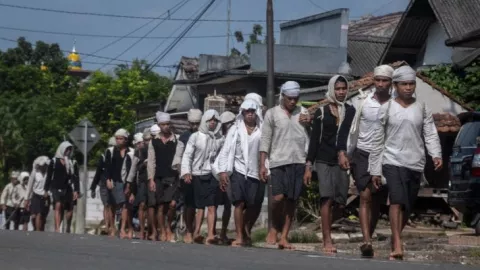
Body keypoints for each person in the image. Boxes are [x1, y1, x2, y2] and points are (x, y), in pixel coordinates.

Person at [369, 65, 442, 260]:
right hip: (391, 160)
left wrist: (436, 154)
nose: (408, 88)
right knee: (397, 200)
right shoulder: (387, 108)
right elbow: (377, 140)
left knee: (407, 206)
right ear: (395, 86)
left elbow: (430, 133)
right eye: (404, 84)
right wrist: (375, 169)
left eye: (411, 84)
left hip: (415, 162)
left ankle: (395, 238)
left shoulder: (422, 107)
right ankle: (398, 245)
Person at [304, 75, 356, 254]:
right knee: (326, 197)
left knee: (341, 202)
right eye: (338, 88)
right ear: (332, 89)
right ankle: (327, 239)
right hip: (323, 159)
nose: (341, 92)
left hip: (341, 161)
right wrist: (309, 165)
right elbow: (314, 140)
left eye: (343, 89)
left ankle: (325, 225)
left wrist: (344, 154)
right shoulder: (322, 111)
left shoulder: (350, 110)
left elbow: (345, 135)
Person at [348, 65, 394, 257]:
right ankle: (366, 240)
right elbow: (353, 129)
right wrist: (347, 153)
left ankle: (370, 234)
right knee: (365, 195)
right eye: (378, 80)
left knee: (376, 198)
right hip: (362, 153)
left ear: (391, 83)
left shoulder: (395, 105)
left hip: (384, 156)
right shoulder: (364, 102)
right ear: (374, 81)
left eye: (385, 81)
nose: (381, 84)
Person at [260, 81, 310, 249]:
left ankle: (284, 236)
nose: (293, 102)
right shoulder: (272, 114)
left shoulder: (303, 113)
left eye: (296, 99)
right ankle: (274, 226)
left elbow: (309, 140)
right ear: (282, 96)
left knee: (291, 201)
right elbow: (265, 140)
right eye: (290, 98)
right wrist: (262, 164)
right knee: (278, 198)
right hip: (278, 161)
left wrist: (309, 122)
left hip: (298, 161)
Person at [216, 100, 265, 247]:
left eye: (252, 111)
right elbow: (225, 151)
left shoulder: (261, 130)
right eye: (247, 111)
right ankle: (239, 236)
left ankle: (244, 229)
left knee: (253, 204)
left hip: (254, 172)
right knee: (239, 202)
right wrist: (223, 171)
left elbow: (266, 151)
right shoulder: (235, 129)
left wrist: (266, 168)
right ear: (242, 113)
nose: (250, 114)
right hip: (237, 170)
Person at [181, 109, 224, 245]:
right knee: (200, 206)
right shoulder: (196, 136)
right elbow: (187, 155)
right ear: (205, 121)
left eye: (215, 120)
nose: (212, 123)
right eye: (210, 120)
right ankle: (196, 232)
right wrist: (186, 171)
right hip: (197, 174)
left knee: (212, 205)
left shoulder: (220, 138)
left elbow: (222, 157)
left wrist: (222, 174)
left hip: (212, 174)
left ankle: (211, 234)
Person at [147, 112, 184, 242]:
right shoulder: (154, 141)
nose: (166, 126)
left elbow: (180, 159)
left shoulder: (177, 141)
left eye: (168, 124)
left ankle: (169, 228)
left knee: (172, 205)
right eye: (163, 124)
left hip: (173, 176)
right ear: (159, 125)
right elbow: (151, 161)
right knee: (161, 206)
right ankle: (162, 230)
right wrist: (151, 179)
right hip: (158, 177)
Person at [104, 129, 137, 239]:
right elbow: (107, 166)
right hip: (114, 181)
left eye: (120, 138)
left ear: (126, 140)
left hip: (126, 182)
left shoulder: (131, 152)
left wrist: (131, 185)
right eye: (117, 138)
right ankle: (112, 227)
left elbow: (133, 168)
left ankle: (122, 228)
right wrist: (108, 179)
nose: (118, 141)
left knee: (125, 205)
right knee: (112, 205)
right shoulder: (111, 151)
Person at [44, 141, 79, 233]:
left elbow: (76, 178)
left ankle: (68, 226)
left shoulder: (73, 162)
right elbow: (49, 176)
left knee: (69, 208)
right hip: (56, 186)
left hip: (68, 187)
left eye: (70, 149)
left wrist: (76, 190)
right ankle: (57, 228)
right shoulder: (54, 161)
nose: (68, 151)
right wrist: (46, 190)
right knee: (58, 205)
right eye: (67, 149)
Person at [178, 108, 202, 243]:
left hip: (202, 173)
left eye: (197, 123)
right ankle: (189, 230)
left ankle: (197, 231)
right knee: (189, 204)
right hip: (187, 175)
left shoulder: (205, 135)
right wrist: (182, 172)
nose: (194, 126)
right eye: (192, 123)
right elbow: (179, 156)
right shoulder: (184, 137)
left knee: (202, 204)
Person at [215, 111, 236, 244]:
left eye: (230, 123)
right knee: (214, 204)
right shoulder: (218, 138)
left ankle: (223, 232)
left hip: (231, 174)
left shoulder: (235, 136)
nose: (228, 126)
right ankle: (213, 232)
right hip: (217, 173)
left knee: (228, 204)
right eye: (226, 124)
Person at [90, 136, 116, 234]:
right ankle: (107, 225)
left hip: (115, 183)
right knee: (106, 204)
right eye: (110, 146)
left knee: (113, 205)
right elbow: (98, 172)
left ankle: (112, 225)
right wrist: (93, 187)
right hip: (104, 183)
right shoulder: (104, 156)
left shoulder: (119, 156)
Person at [25, 156, 51, 232]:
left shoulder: (49, 173)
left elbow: (51, 185)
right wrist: (26, 199)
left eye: (46, 165)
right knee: (37, 214)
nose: (44, 167)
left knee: (43, 216)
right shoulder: (35, 173)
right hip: (36, 196)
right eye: (43, 165)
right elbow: (29, 186)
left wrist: (49, 193)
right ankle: (37, 231)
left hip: (46, 197)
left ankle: (40, 229)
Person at [132, 132, 149, 240]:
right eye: (144, 141)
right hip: (142, 181)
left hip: (155, 181)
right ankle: (142, 230)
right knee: (142, 205)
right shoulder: (139, 152)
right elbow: (135, 169)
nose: (143, 144)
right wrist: (144, 164)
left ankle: (151, 230)